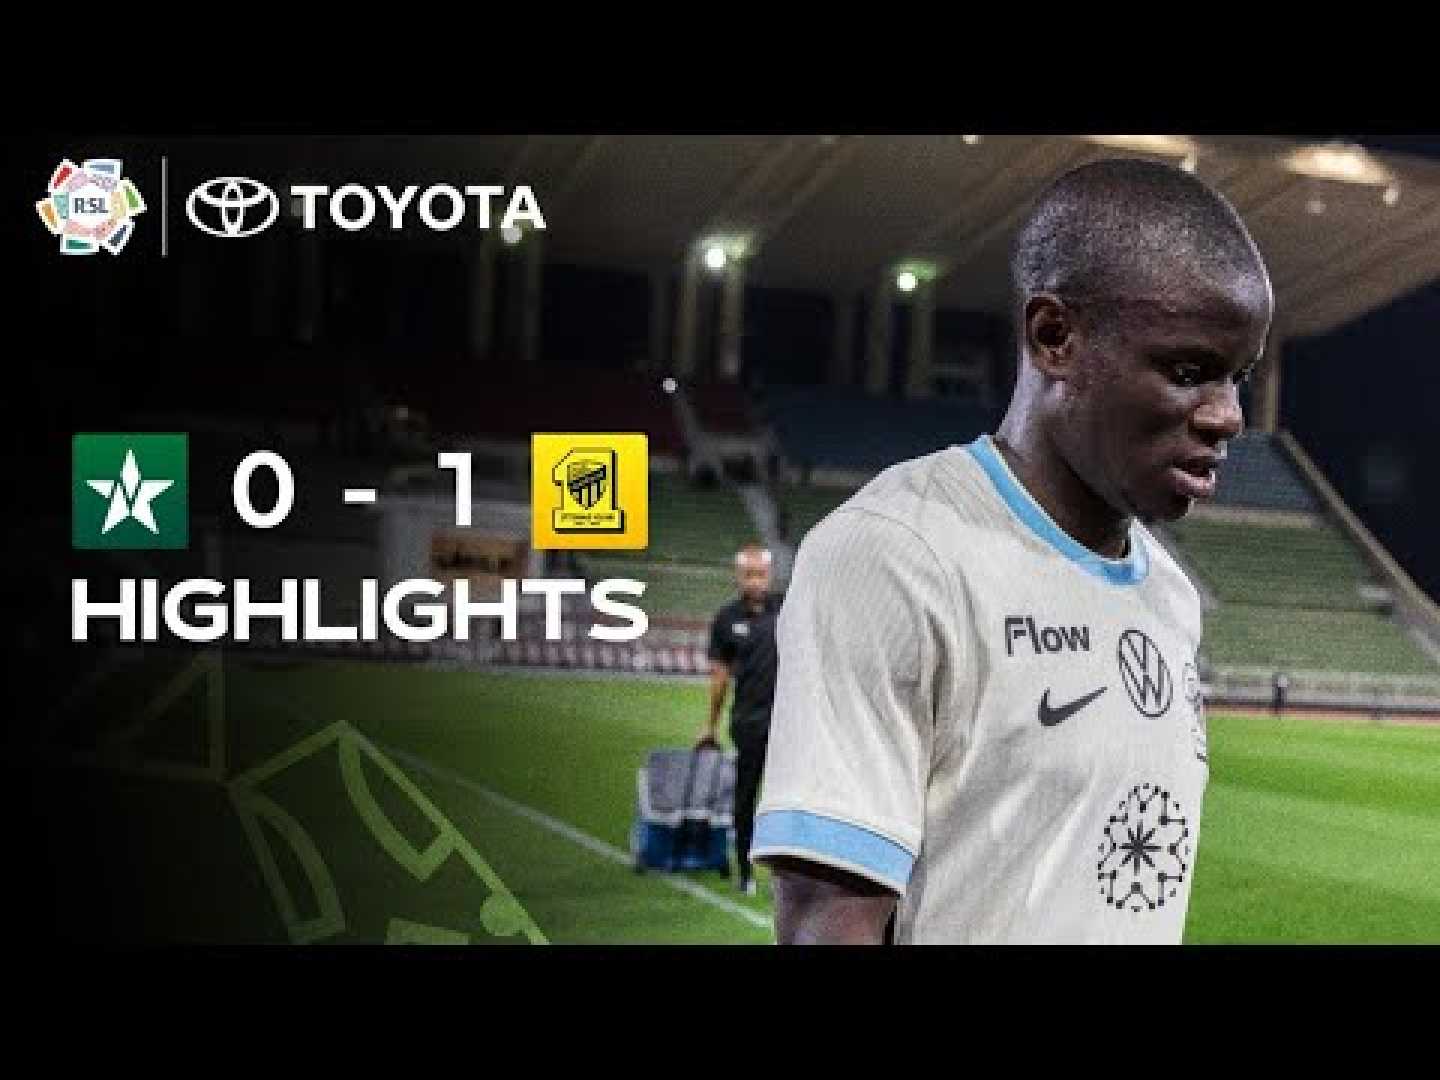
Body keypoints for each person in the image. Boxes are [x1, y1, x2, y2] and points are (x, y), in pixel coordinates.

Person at [751, 158, 1274, 944]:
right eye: (1189, 370)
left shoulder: (1170, 595)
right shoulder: (895, 554)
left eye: (1239, 377)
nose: (1228, 415)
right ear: (1054, 337)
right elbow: (827, 924)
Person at [699, 542, 782, 896]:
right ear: (738, 576)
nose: (755, 581)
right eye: (749, 575)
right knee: (746, 797)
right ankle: (745, 871)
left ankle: (784, 877)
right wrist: (710, 725)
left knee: (786, 802)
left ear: (770, 575)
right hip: (748, 721)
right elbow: (719, 678)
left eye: (760, 574)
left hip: (788, 725)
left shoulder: (788, 609)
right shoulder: (726, 619)